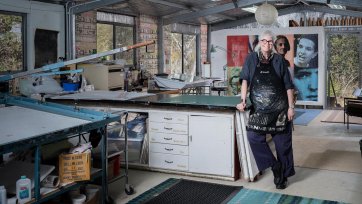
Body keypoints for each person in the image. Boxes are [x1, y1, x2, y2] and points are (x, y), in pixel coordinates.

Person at [236, 30, 295, 189]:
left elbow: (288, 86)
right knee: (253, 137)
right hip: (260, 110)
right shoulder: (251, 59)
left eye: (270, 42)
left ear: (273, 44)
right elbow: (245, 81)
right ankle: (274, 166)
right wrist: (242, 101)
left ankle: (282, 177)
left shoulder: (279, 61)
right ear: (260, 43)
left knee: (283, 146)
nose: (267, 44)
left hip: (280, 110)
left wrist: (291, 107)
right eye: (264, 41)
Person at [294, 34, 318, 101]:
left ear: (314, 54)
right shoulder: (288, 64)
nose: (302, 52)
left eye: (308, 49)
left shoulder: (312, 67)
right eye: (300, 47)